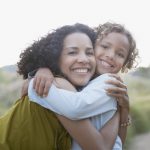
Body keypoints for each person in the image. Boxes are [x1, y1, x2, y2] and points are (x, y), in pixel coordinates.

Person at [0, 23, 123, 150]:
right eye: (72, 52)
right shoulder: (58, 87)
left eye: (89, 53)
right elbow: (99, 147)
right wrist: (117, 109)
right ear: (55, 58)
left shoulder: (82, 91)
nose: (83, 59)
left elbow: (117, 144)